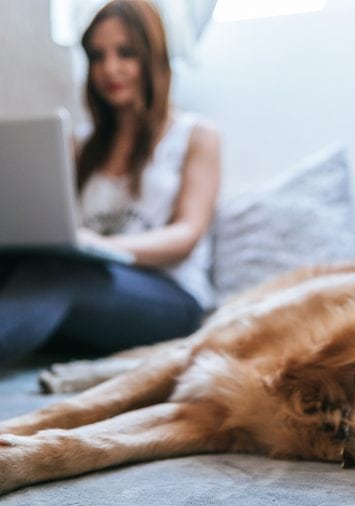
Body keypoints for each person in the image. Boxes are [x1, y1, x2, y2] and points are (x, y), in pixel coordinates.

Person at [0, 0, 220, 366]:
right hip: (85, 287)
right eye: (98, 56)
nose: (110, 69)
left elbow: (186, 236)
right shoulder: (78, 144)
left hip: (171, 298)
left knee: (59, 277)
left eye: (126, 53)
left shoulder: (196, 135)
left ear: (152, 57)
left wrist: (103, 245)